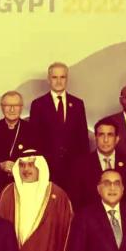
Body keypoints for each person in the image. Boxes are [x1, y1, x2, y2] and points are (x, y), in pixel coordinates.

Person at [29, 62, 90, 191]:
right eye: (54, 77)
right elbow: (34, 139)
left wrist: (84, 166)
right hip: (48, 167)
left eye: (62, 77)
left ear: (67, 79)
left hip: (74, 167)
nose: (58, 81)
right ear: (48, 79)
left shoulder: (78, 104)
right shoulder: (38, 104)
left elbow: (83, 138)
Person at [70, 118, 126, 210]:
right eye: (101, 135)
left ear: (117, 139)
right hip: (91, 220)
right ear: (95, 138)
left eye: (110, 135)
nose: (105, 140)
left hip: (124, 219)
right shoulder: (80, 165)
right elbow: (76, 201)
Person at [0, 90, 39, 174]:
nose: (12, 109)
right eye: (8, 105)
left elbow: (38, 158)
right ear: (2, 107)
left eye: (16, 105)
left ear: (21, 107)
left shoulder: (32, 130)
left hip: (25, 178)